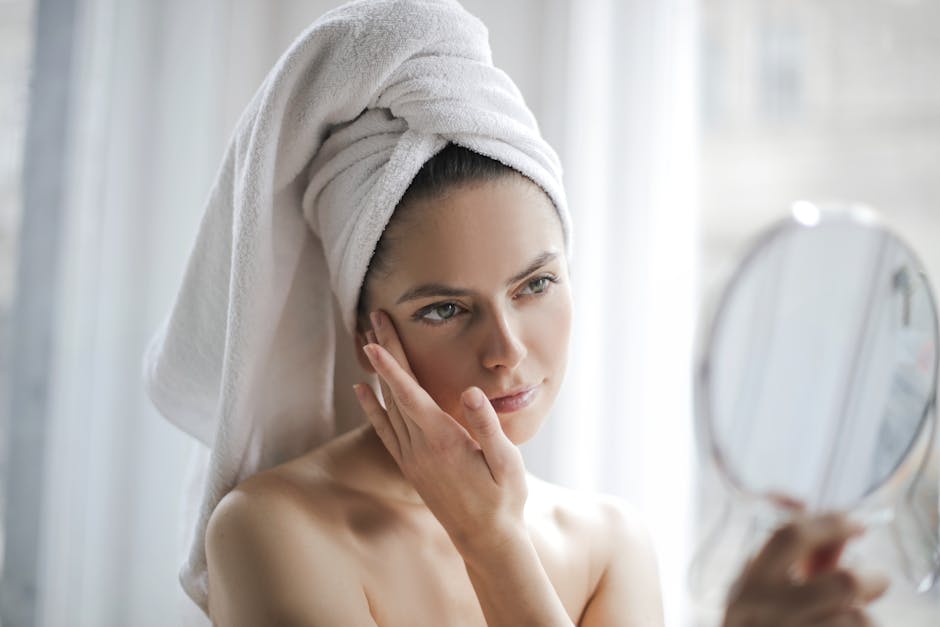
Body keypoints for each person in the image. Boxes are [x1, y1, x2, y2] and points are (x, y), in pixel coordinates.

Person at [142, 1, 888, 625]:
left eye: (535, 285)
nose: (506, 348)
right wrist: (491, 543)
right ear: (370, 331)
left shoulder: (609, 544)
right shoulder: (271, 528)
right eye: (445, 308)